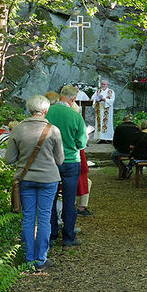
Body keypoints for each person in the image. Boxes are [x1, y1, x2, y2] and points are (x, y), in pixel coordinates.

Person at [6, 95, 64, 269]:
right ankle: (41, 259)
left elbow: (9, 159)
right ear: (46, 111)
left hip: (26, 179)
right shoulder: (53, 130)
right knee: (44, 218)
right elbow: (60, 160)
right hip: (48, 179)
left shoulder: (17, 130)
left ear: (29, 110)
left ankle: (28, 258)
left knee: (28, 217)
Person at [46, 85, 87, 247]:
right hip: (70, 161)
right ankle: (68, 236)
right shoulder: (76, 116)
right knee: (69, 200)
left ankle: (52, 234)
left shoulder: (48, 112)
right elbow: (81, 142)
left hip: (50, 161)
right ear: (73, 99)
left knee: (51, 198)